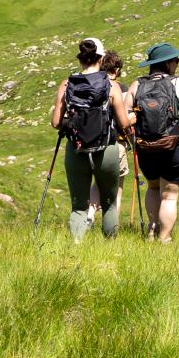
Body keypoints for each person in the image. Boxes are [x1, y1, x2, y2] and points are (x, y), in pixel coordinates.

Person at [125, 42, 179, 243]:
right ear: (168, 63)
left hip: (145, 147)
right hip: (174, 145)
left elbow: (125, 119)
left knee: (153, 188)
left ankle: (151, 232)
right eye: (176, 61)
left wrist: (133, 142)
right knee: (169, 195)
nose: (177, 64)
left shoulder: (137, 85)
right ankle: (164, 238)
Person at [51, 37, 131, 241]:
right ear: (101, 58)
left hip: (76, 150)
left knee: (79, 206)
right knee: (109, 203)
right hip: (106, 150)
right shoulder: (111, 86)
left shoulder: (67, 84)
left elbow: (56, 122)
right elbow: (123, 123)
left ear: (80, 59)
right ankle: (110, 245)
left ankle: (77, 244)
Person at [88, 50, 133, 224]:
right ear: (117, 70)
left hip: (92, 142)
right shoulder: (121, 89)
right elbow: (124, 120)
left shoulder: (93, 85)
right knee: (117, 188)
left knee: (98, 182)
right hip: (117, 143)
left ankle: (90, 215)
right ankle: (112, 226)